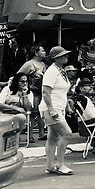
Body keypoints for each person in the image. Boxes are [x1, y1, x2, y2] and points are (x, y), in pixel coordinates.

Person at [40, 46, 75, 176]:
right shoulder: (52, 71)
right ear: (55, 58)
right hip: (51, 108)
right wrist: (51, 109)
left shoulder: (60, 71)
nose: (66, 57)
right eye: (62, 55)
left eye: (66, 55)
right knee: (67, 133)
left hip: (58, 108)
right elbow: (45, 92)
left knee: (53, 137)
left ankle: (50, 165)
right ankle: (60, 164)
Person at [15, 43, 49, 142]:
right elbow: (18, 75)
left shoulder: (43, 64)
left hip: (41, 90)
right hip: (32, 91)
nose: (44, 52)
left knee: (40, 112)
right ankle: (29, 135)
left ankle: (42, 133)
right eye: (42, 51)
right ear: (36, 53)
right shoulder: (29, 64)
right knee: (33, 113)